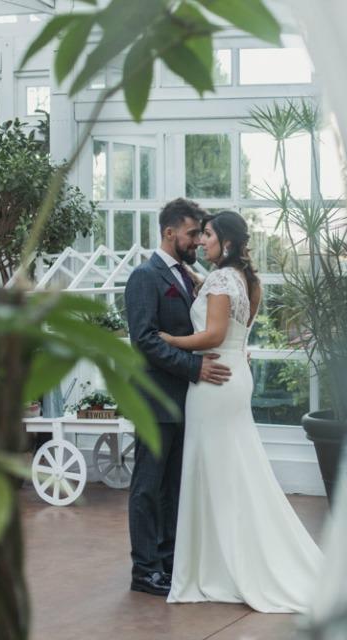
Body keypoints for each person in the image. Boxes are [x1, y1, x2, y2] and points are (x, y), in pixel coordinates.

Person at [159, 210, 322, 611]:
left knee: (216, 470)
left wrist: (169, 340)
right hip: (233, 373)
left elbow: (214, 333)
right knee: (233, 469)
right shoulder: (247, 280)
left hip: (213, 381)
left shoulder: (219, 279)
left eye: (208, 235)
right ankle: (227, 559)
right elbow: (235, 330)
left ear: (226, 242)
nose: (201, 242)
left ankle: (219, 566)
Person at [125, 198, 232, 596]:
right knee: (148, 487)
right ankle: (144, 570)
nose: (197, 241)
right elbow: (145, 340)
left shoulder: (189, 276)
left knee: (172, 487)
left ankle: (168, 561)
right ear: (169, 233)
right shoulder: (144, 277)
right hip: (154, 400)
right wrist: (195, 367)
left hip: (184, 401)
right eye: (191, 234)